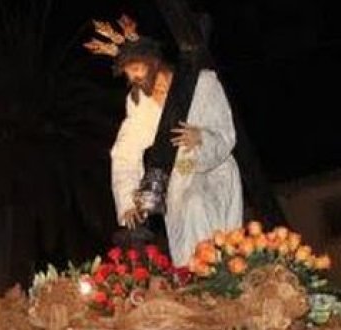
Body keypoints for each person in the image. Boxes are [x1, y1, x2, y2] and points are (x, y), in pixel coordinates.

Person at [85, 15, 242, 266]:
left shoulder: (202, 85)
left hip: (213, 174)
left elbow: (225, 134)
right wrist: (128, 203)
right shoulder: (139, 104)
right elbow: (124, 154)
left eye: (136, 70)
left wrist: (200, 138)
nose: (133, 79)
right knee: (188, 222)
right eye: (128, 75)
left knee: (199, 208)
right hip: (179, 178)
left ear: (153, 62)